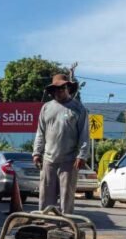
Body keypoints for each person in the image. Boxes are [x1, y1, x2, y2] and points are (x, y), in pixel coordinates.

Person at [32, 74, 89, 214]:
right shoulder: (46, 108)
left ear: (68, 88)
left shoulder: (78, 108)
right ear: (52, 92)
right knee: (46, 195)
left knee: (66, 196)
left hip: (69, 160)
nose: (59, 91)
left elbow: (84, 134)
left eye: (62, 88)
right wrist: (36, 153)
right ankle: (44, 222)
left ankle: (65, 224)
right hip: (48, 159)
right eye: (55, 89)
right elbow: (40, 132)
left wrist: (82, 155)